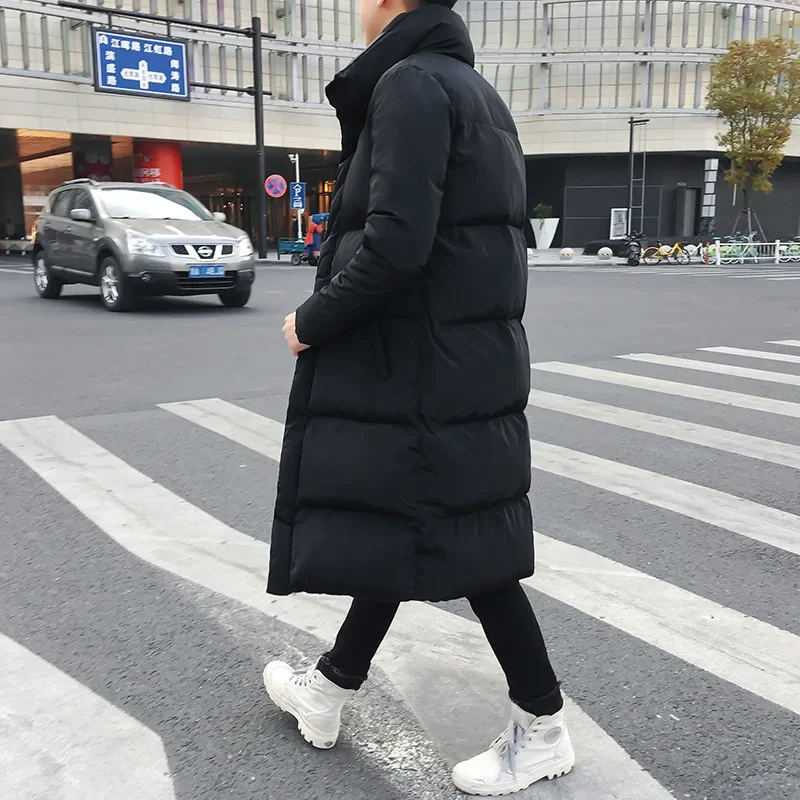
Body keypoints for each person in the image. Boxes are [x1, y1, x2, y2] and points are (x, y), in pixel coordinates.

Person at [265, 0, 576, 794]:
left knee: (470, 551)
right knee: (416, 522)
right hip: (460, 360)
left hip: (422, 365)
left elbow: (397, 241)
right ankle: (330, 688)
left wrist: (312, 319)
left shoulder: (410, 85)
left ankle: (543, 727)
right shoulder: (475, 93)